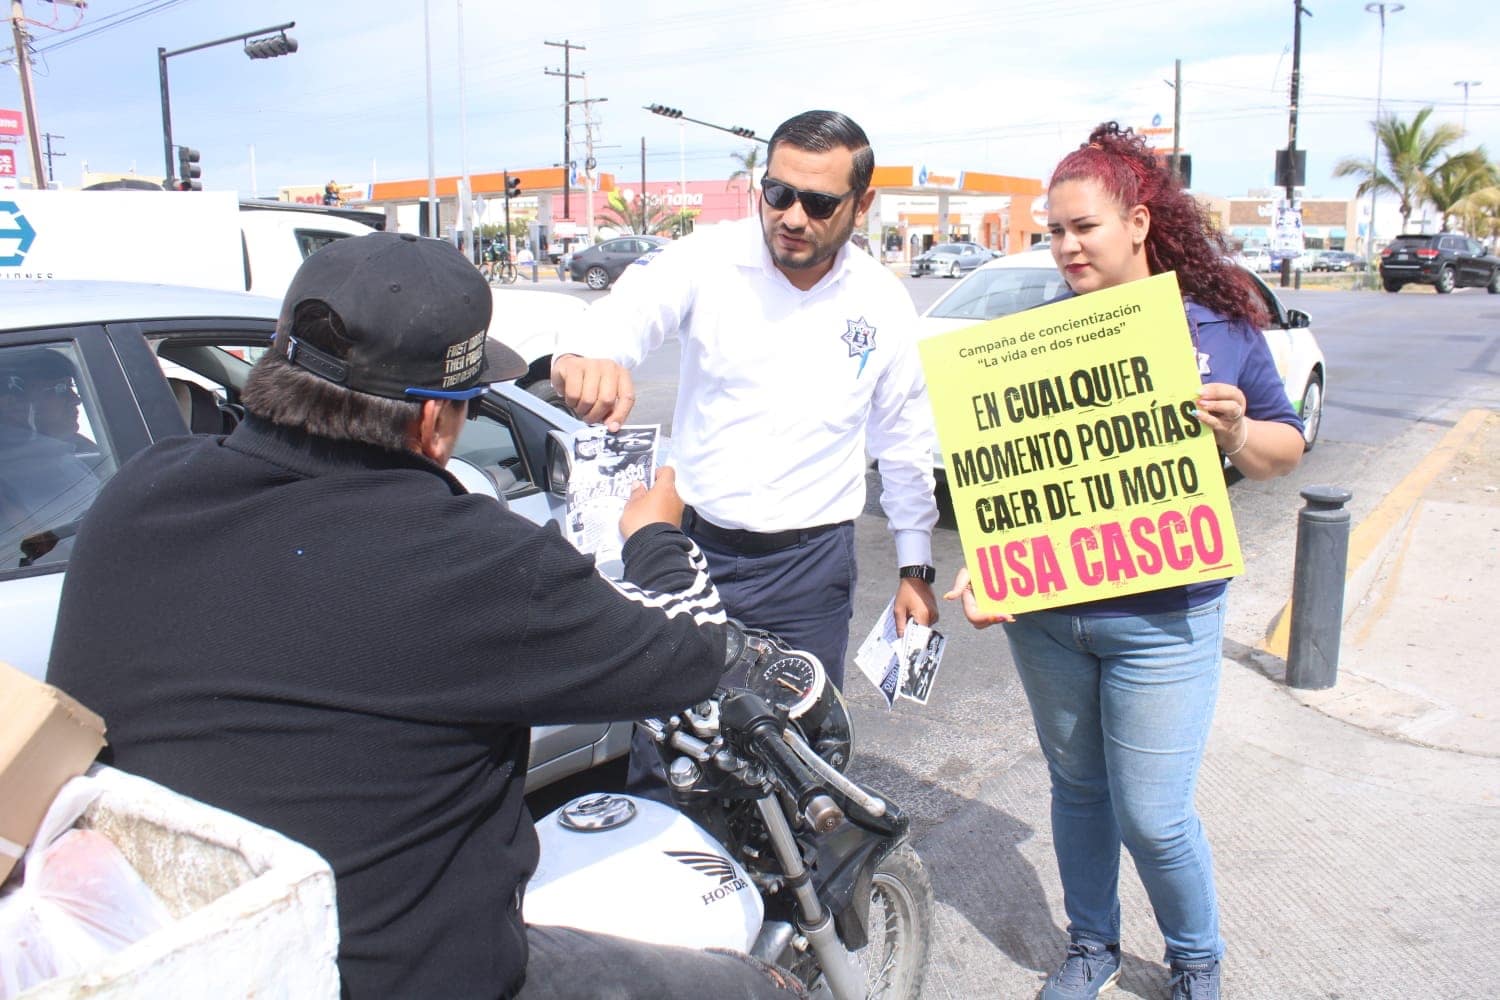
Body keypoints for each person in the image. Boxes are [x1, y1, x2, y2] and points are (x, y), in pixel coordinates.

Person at [46, 231, 803, 1000]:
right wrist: (656, 536)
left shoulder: (138, 493)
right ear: (435, 420)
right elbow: (692, 650)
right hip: (405, 977)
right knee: (753, 991)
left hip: (158, 958)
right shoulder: (471, 559)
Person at [944, 123, 1305, 1000]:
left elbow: (1285, 449)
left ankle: (1195, 960)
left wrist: (1235, 432)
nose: (1066, 246)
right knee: (1077, 790)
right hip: (1050, 619)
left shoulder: (1219, 327)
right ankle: (1091, 947)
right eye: (1053, 231)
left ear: (1138, 223)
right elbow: (1012, 483)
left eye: (1084, 227)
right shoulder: (1030, 340)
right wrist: (985, 567)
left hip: (1165, 618)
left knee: (1154, 814)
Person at [551, 109, 940, 687]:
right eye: (778, 193)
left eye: (819, 203)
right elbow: (627, 311)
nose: (792, 217)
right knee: (674, 725)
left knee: (800, 729)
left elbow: (904, 441)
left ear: (862, 204)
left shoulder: (882, 302)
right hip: (692, 549)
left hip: (811, 572)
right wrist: (583, 357)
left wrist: (916, 567)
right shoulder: (706, 259)